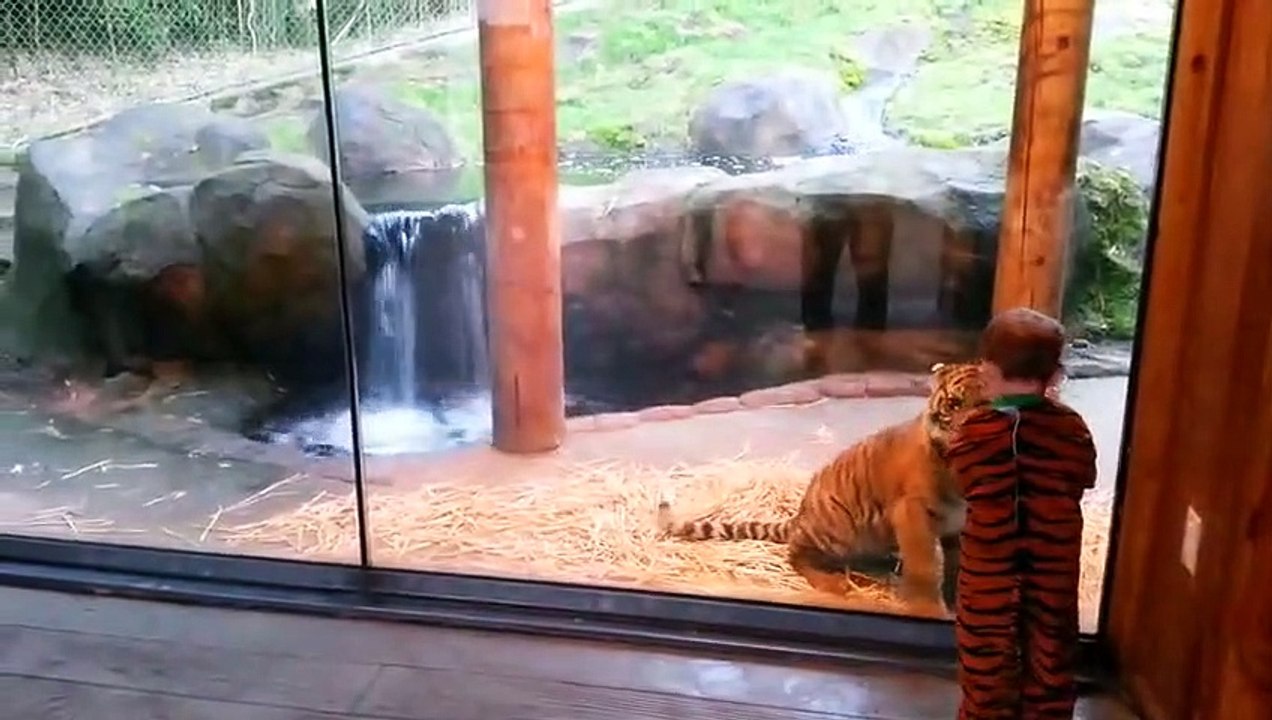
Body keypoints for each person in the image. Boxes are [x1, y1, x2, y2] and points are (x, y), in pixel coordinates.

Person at [947, 307, 1098, 720]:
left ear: (986, 369)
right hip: (1052, 573)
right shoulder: (1073, 430)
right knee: (1050, 663)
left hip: (988, 577)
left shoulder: (970, 435)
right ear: (1054, 376)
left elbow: (965, 485)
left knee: (986, 674)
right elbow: (1083, 479)